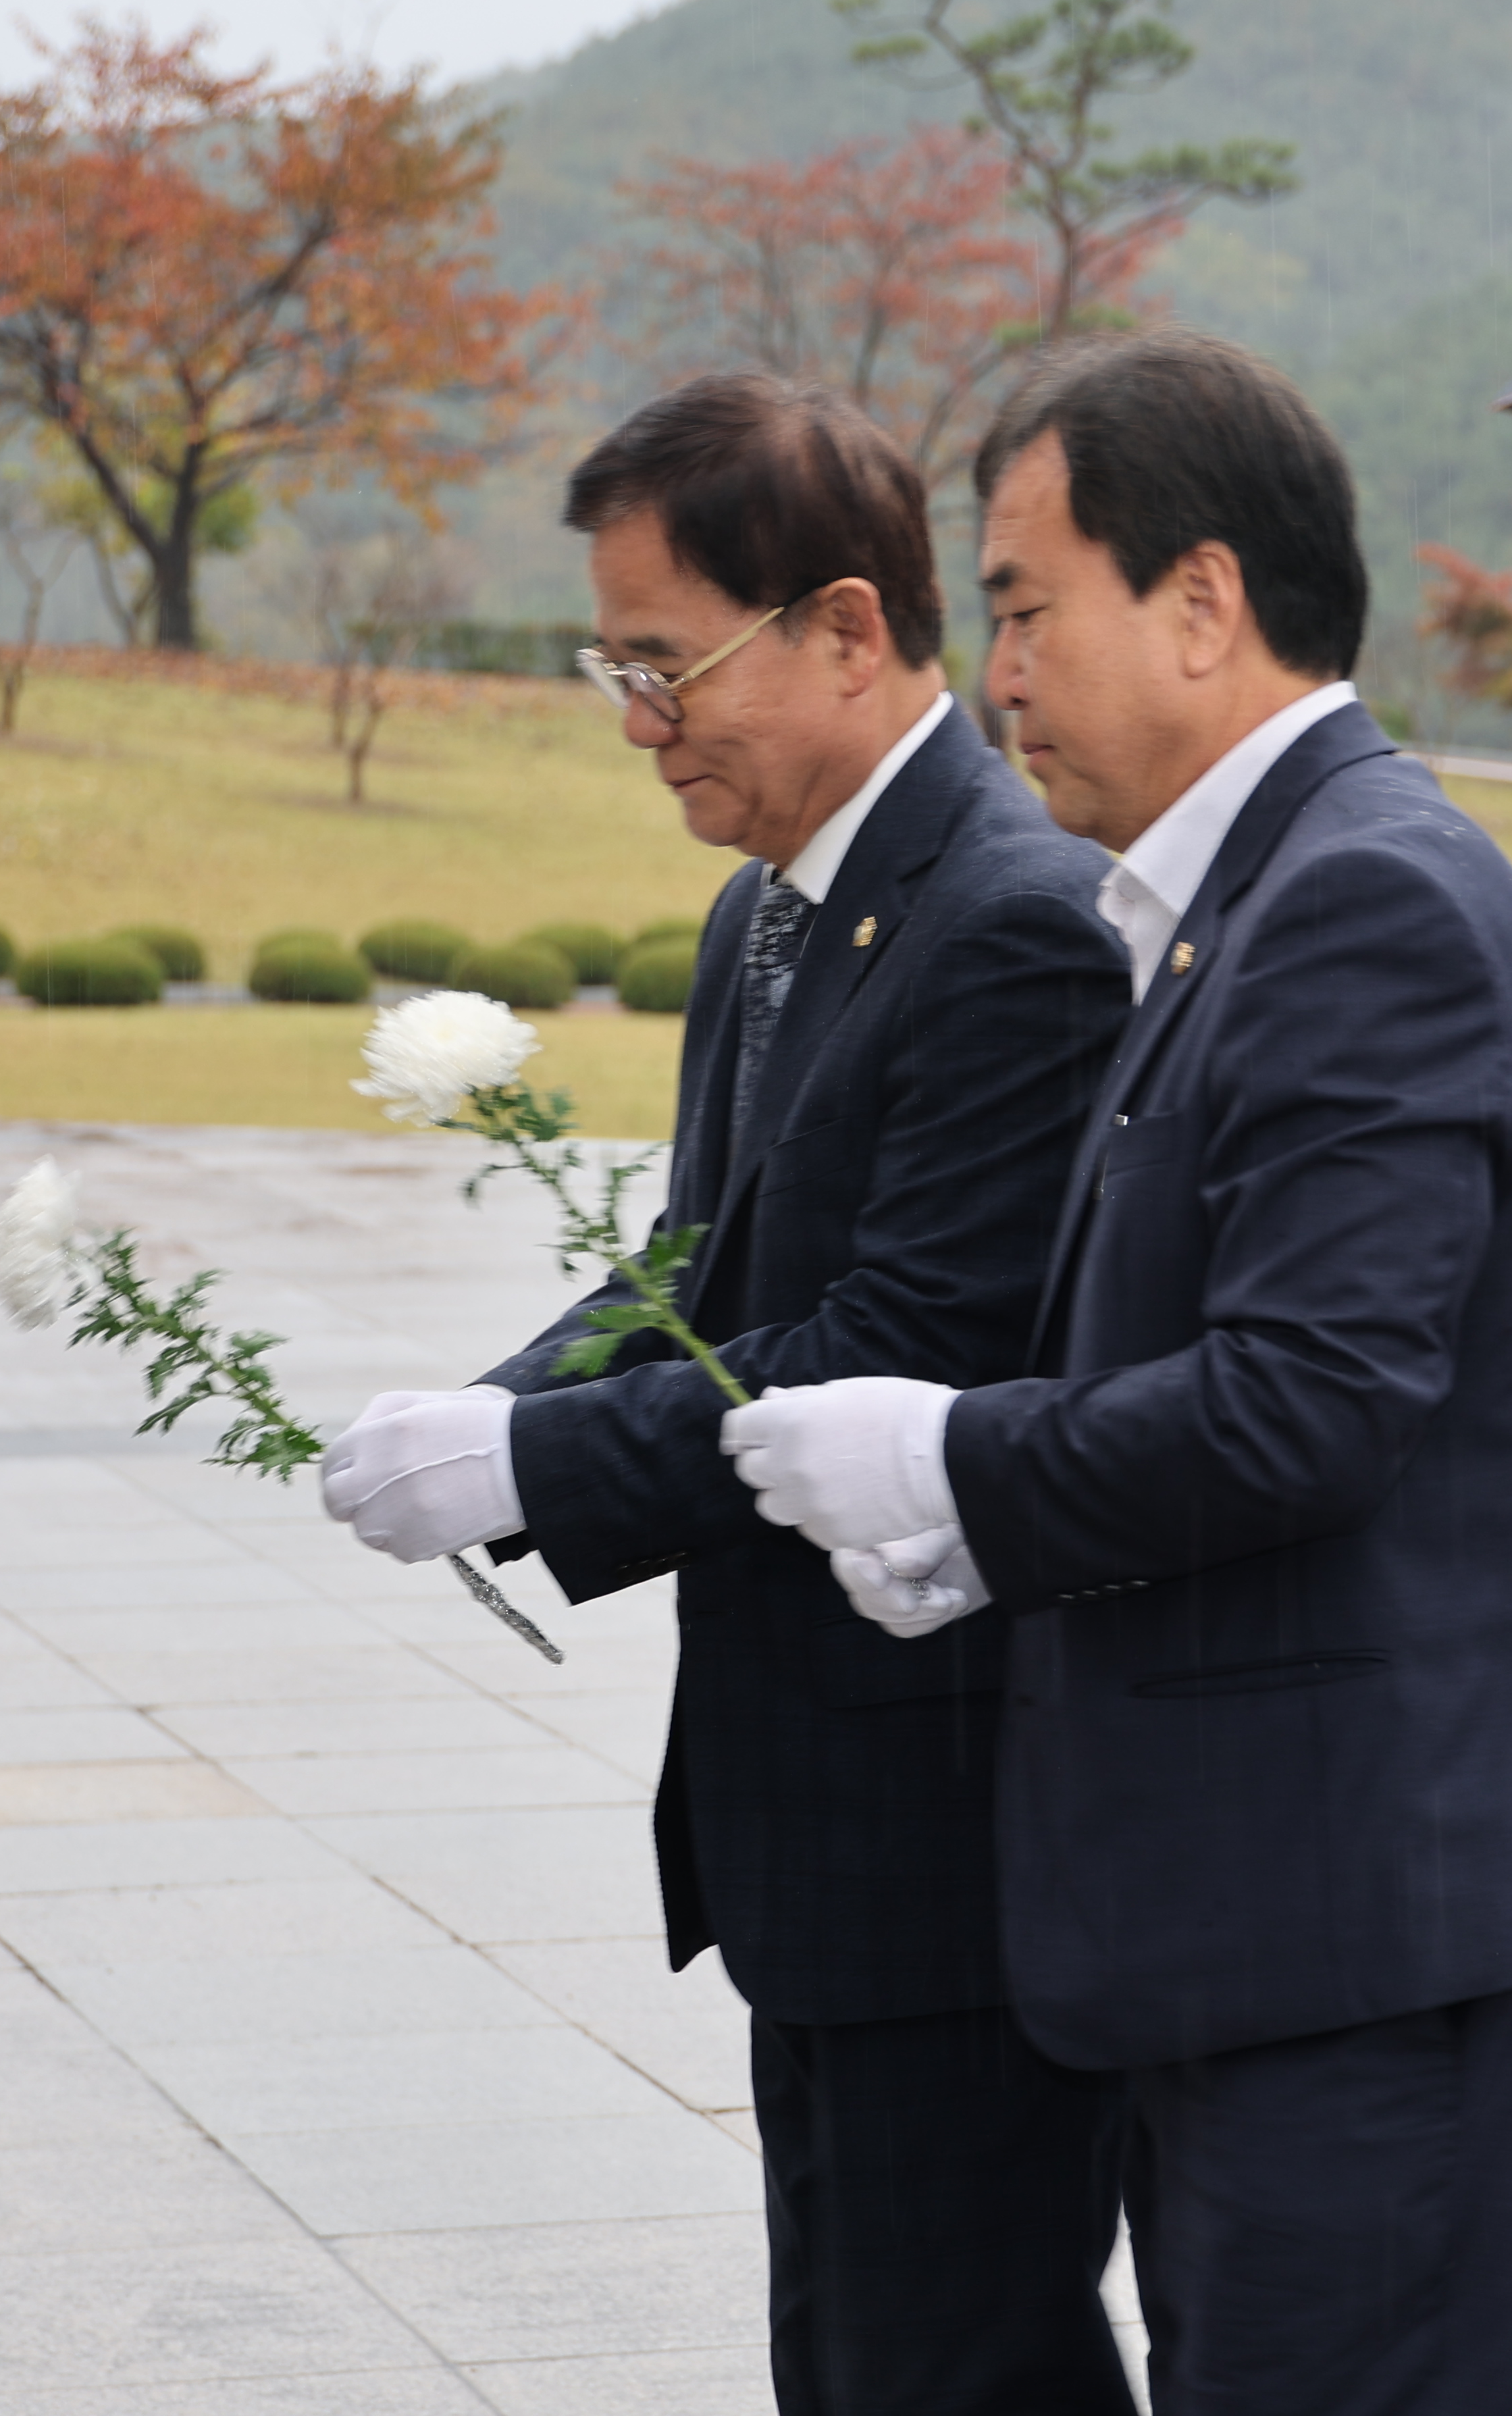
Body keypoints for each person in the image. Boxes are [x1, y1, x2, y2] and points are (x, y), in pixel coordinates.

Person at [719, 328, 1512, 2416]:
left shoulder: (1361, 899)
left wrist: (952, 1465)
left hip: (1396, 1937)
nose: (992, 677)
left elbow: (1307, 1402)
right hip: (1283, 1923)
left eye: (1019, 608)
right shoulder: (1220, 903)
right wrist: (983, 1545)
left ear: (1200, 601)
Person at [314, 373, 1139, 2415]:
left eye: (671, 664)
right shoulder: (771, 904)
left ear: (849, 632)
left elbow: (893, 1347)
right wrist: (494, 1407)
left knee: (956, 2359)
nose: (638, 721)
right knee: (857, 2352)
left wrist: (541, 1458)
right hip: (813, 1810)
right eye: (617, 667)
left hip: (949, 1823)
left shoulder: (1011, 923)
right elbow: (702, 1267)